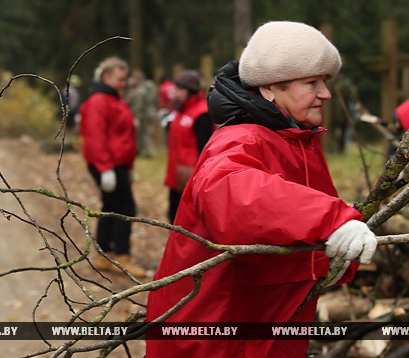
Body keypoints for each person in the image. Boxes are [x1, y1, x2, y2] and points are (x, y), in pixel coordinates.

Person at [146, 21, 378, 357]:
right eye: (312, 82)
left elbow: (289, 241)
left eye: (325, 82)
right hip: (217, 338)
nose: (326, 93)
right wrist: (332, 220)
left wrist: (336, 258)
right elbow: (236, 195)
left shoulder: (296, 139)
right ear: (269, 89)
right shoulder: (242, 139)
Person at [79, 56, 145, 277]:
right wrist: (105, 168)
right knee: (126, 209)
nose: (123, 84)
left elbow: (125, 136)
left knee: (110, 206)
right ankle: (121, 255)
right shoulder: (100, 101)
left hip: (118, 164)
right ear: (106, 77)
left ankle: (103, 254)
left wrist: (129, 166)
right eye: (120, 79)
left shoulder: (115, 99)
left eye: (125, 80)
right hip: (108, 163)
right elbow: (95, 136)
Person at [163, 70, 212, 223]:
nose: (175, 94)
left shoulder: (202, 114)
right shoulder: (181, 110)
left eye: (179, 89)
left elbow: (203, 148)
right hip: (177, 175)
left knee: (188, 220)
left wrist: (197, 178)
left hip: (190, 178)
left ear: (189, 91)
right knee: (173, 216)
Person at [125, 69, 158, 158]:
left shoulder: (140, 91)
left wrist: (136, 118)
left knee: (144, 134)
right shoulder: (145, 89)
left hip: (143, 116)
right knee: (145, 133)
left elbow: (138, 107)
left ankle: (149, 152)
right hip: (149, 114)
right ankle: (144, 151)